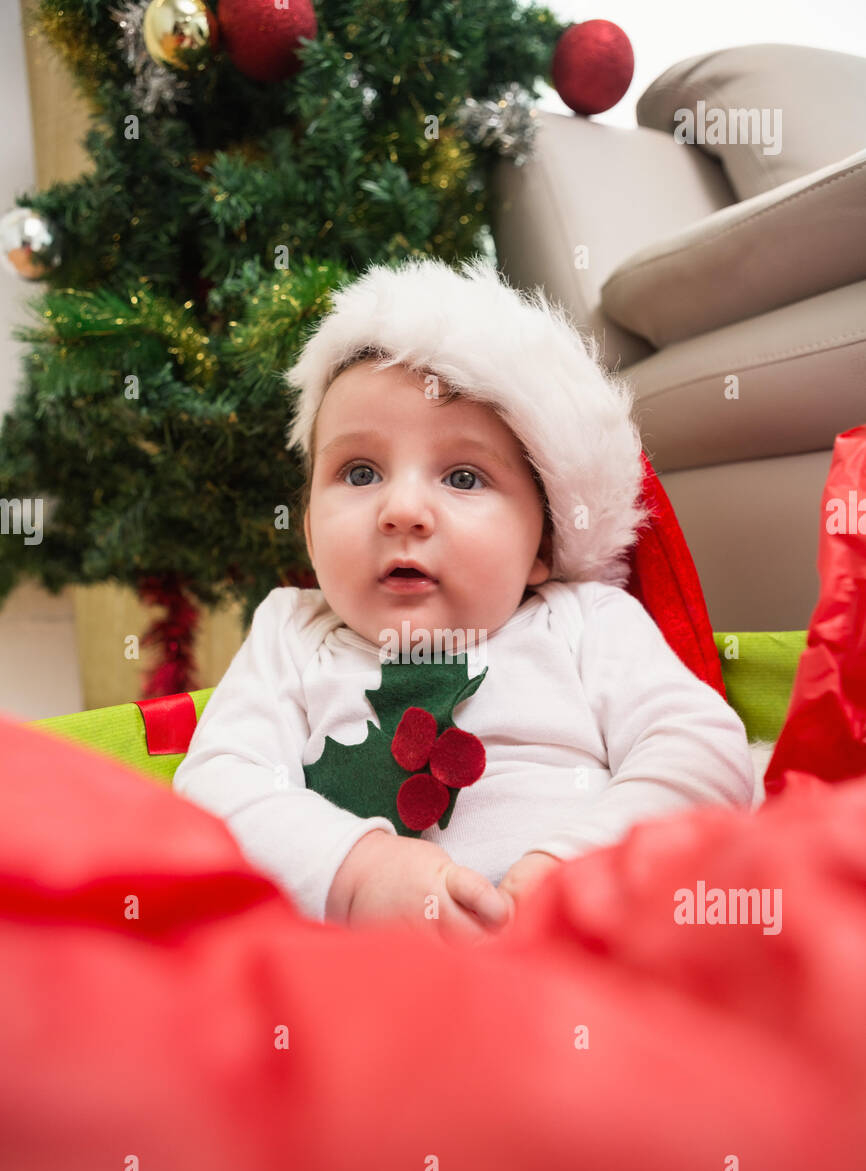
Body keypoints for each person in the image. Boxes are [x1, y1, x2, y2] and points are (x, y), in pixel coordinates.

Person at [173, 257, 753, 939]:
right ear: (306, 525)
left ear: (545, 542)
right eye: (359, 471)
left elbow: (701, 752)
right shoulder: (290, 633)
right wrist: (356, 873)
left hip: (580, 956)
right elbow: (219, 785)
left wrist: (578, 867)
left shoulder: (585, 623)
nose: (402, 509)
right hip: (367, 977)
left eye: (464, 477)